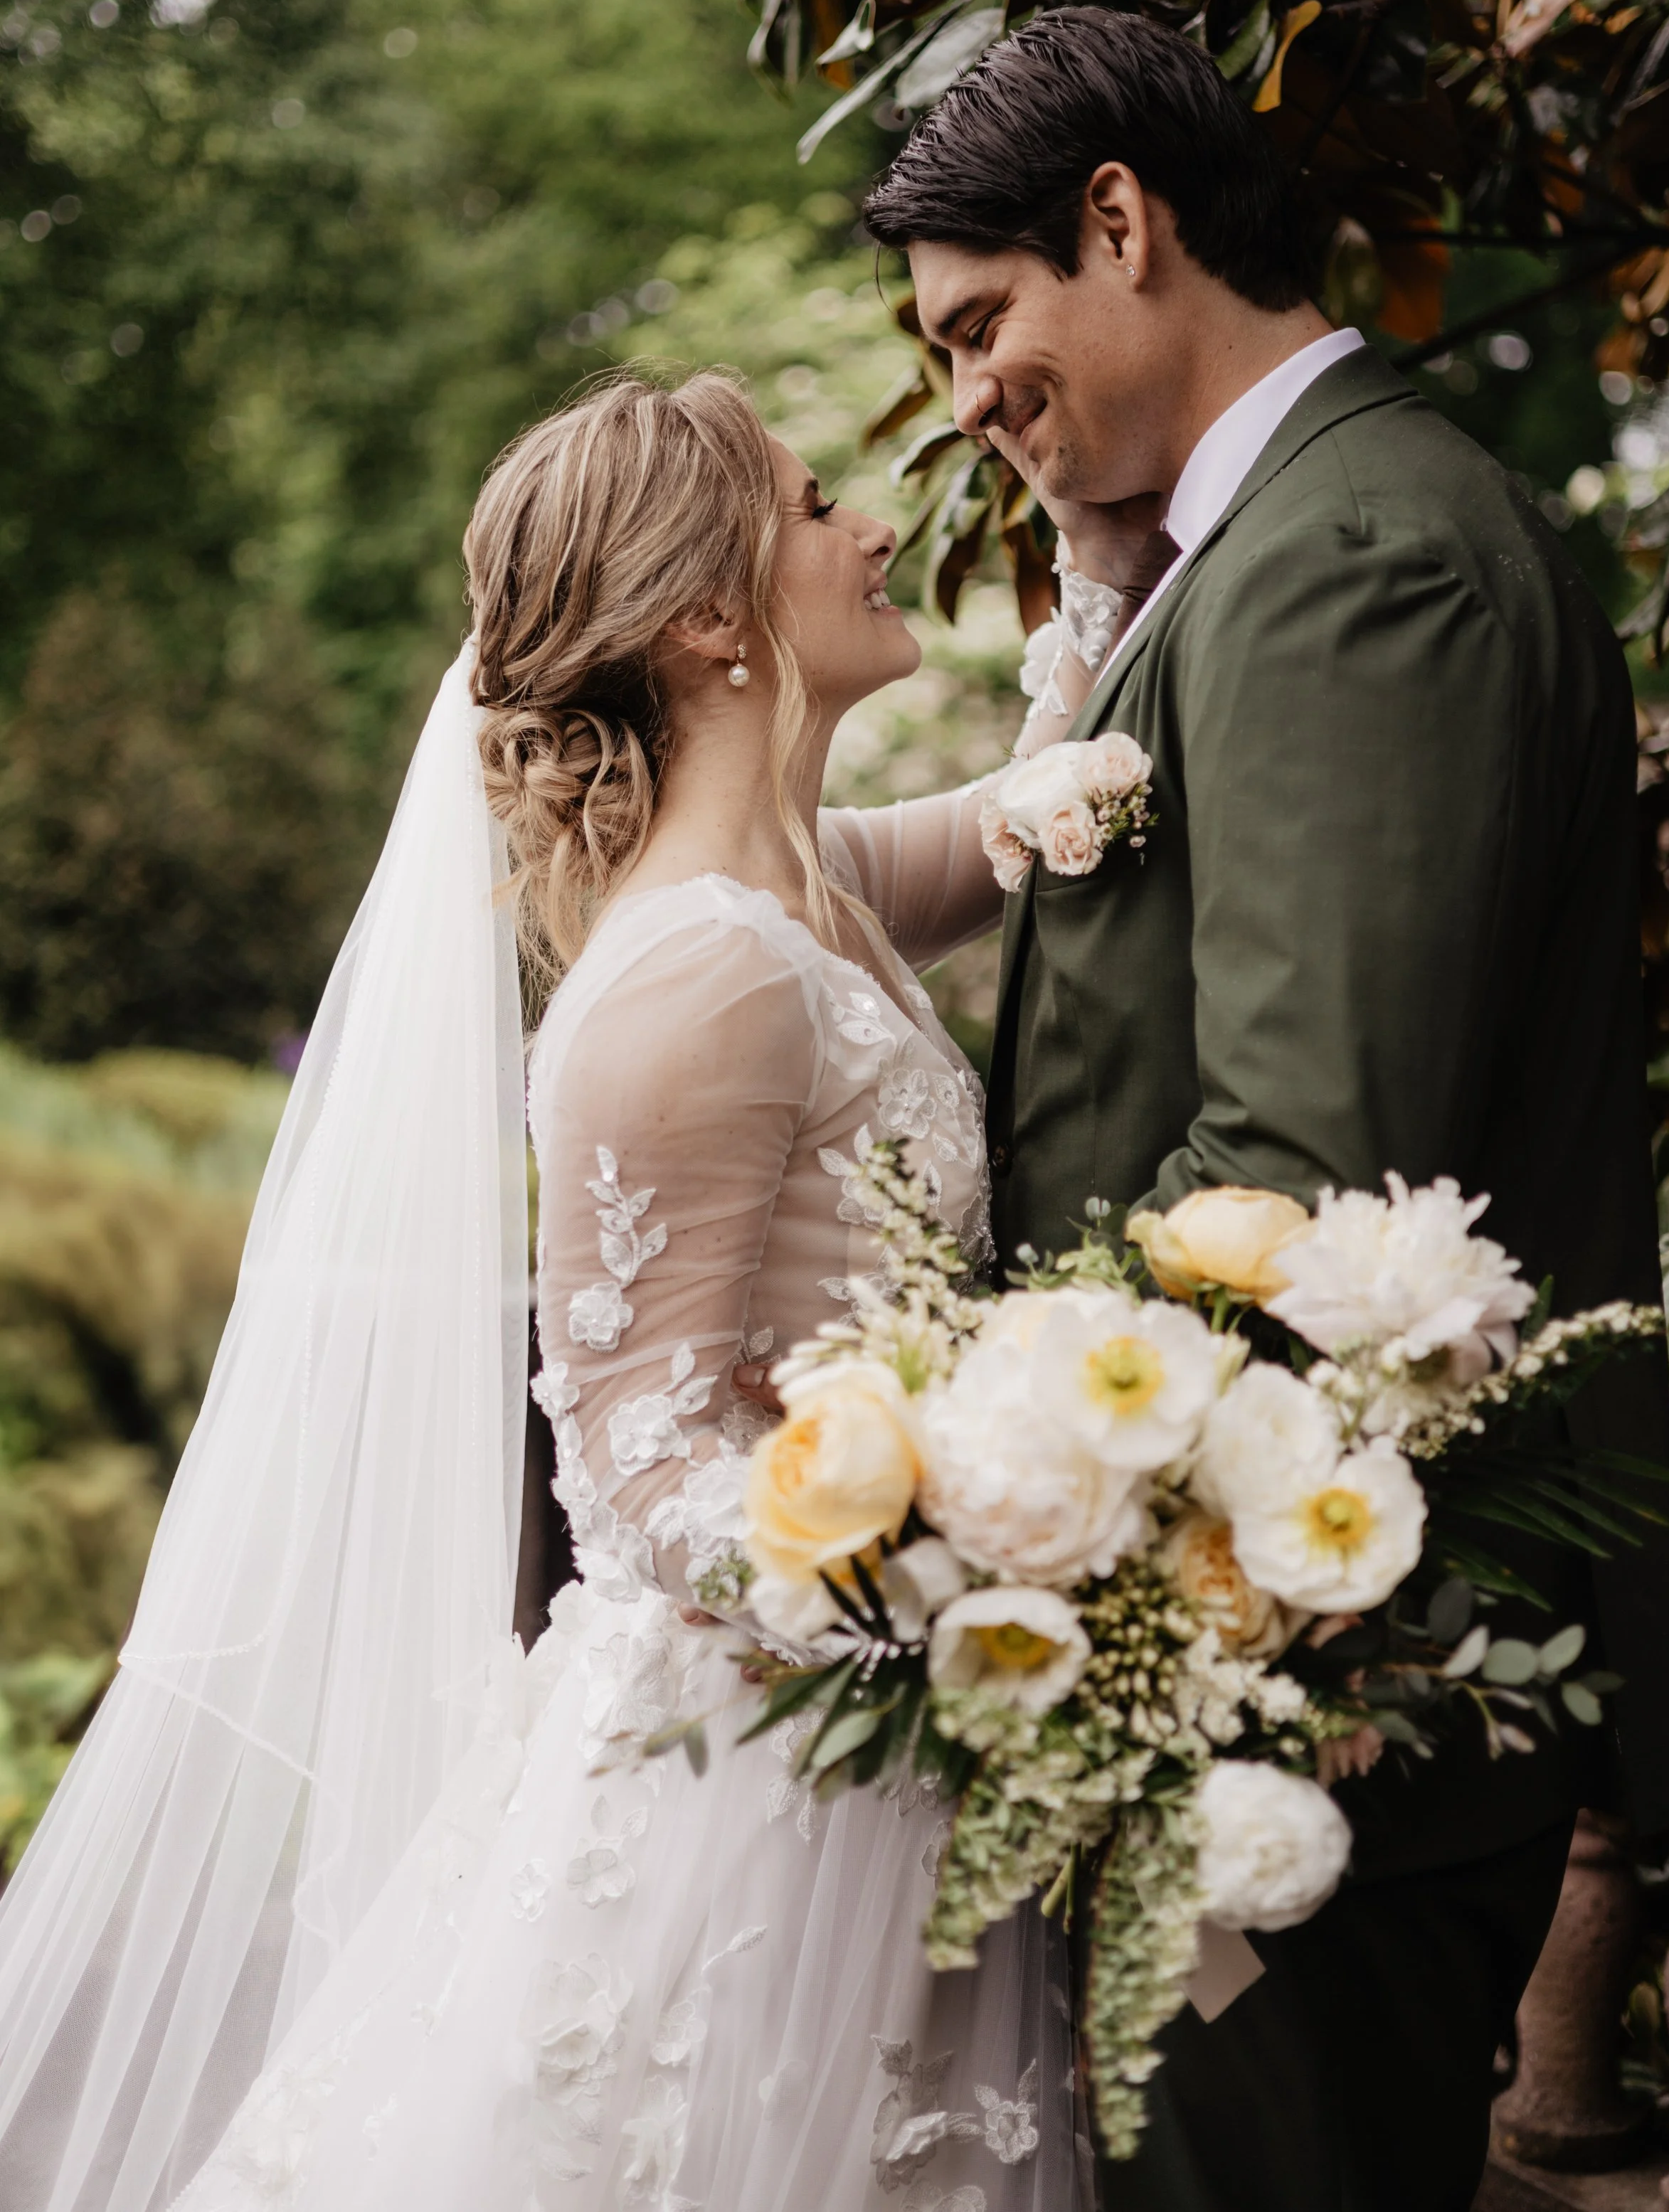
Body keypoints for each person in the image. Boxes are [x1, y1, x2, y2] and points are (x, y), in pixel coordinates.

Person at [0, 371, 1083, 2212]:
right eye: (822, 503)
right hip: (763, 1776)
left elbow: (992, 826)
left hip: (877, 1742)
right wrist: (953, 1565)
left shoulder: (805, 892)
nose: (881, 527)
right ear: (710, 616)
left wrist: (1100, 636)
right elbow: (634, 1472)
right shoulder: (689, 979)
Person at [860, 4, 1669, 2212]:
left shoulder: (1357, 564)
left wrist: (960, 1500)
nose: (961, 397)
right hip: (1259, 1662)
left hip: (1346, 1697)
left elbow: (1296, 1166)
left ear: (1121, 223)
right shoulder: (1259, 559)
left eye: (979, 322)